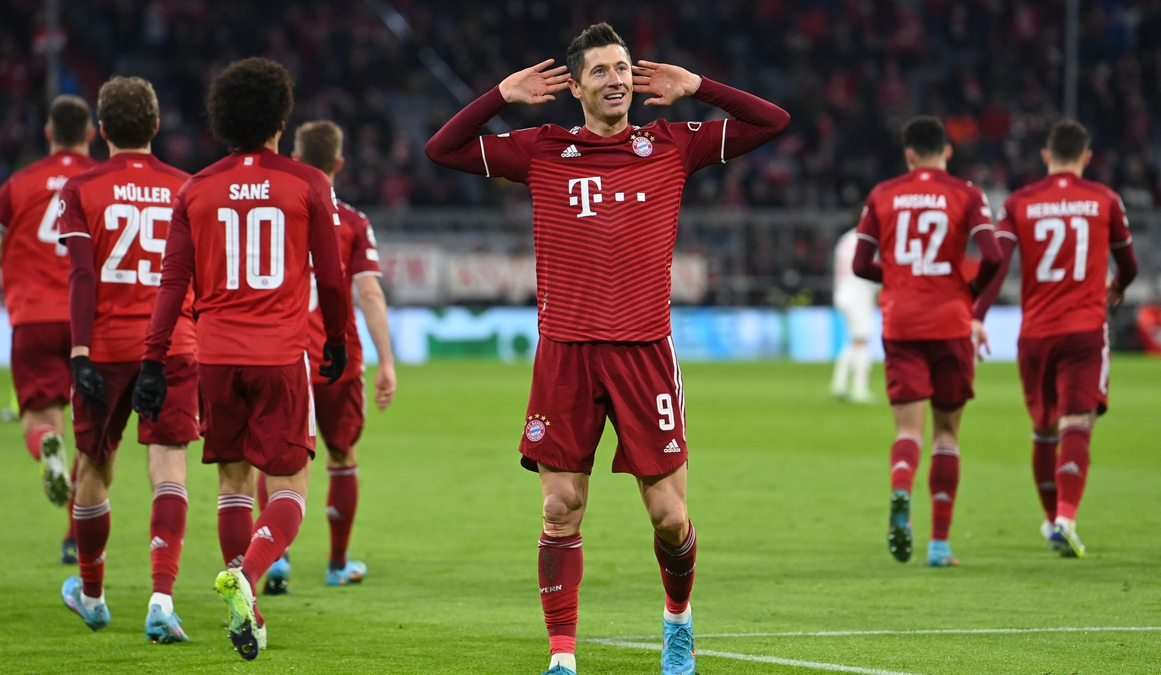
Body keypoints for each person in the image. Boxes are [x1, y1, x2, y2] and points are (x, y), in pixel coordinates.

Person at [426, 22, 789, 675]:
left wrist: (698, 86)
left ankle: (678, 620)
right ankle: (562, 655)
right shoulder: (541, 148)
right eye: (600, 71)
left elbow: (773, 121)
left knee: (670, 517)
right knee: (560, 508)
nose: (616, 79)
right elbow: (441, 147)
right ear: (576, 85)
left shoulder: (671, 144)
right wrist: (500, 95)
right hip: (564, 351)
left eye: (622, 68)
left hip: (643, 350)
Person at [133, 57, 350, 660]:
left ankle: (244, 602)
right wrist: (337, 339)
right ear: (282, 115)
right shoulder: (309, 182)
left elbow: (172, 286)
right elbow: (331, 280)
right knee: (289, 489)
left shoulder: (195, 187)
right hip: (281, 354)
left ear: (221, 119)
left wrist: (153, 362)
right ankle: (248, 575)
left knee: (231, 481)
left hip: (216, 358)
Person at [54, 76, 198, 643]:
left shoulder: (79, 188)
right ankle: (162, 600)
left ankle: (91, 595)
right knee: (169, 465)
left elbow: (84, 275)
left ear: (103, 130)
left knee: (94, 466)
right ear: (157, 126)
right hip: (173, 346)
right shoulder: (189, 187)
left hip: (107, 347)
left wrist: (80, 353)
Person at [974, 120, 1138, 558]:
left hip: (1035, 333)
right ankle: (1065, 516)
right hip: (1084, 329)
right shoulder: (1105, 199)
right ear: (1086, 158)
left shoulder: (1019, 202)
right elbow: (1130, 263)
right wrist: (1119, 285)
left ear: (1046, 157)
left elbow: (995, 264)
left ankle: (1051, 522)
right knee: (1077, 424)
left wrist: (977, 316)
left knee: (1044, 430)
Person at [851, 116, 1001, 568]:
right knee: (948, 434)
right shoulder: (968, 193)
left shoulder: (883, 193)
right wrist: (967, 292)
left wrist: (897, 278)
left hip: (901, 322)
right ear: (947, 151)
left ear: (909, 154)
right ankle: (939, 545)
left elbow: (861, 263)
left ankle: (901, 489)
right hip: (952, 321)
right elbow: (992, 256)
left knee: (908, 432)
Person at [258, 120, 397, 593]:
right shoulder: (354, 222)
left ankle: (275, 560)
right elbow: (370, 295)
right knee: (342, 455)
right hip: (339, 362)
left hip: (282, 353)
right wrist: (388, 363)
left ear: (296, 158)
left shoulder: (276, 211)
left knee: (278, 459)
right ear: (339, 163)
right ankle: (337, 564)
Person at [0, 96, 97, 557]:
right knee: (90, 430)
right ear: (91, 133)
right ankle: (74, 538)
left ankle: (46, 445)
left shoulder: (20, 182)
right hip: (89, 320)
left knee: (41, 420)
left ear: (48, 133)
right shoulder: (99, 182)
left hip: (34, 319)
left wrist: (24, 262)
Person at [830, 226, 880, 403]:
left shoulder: (845, 239)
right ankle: (860, 389)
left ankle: (839, 384)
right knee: (862, 341)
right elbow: (864, 271)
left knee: (855, 340)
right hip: (858, 295)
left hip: (842, 292)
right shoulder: (866, 241)